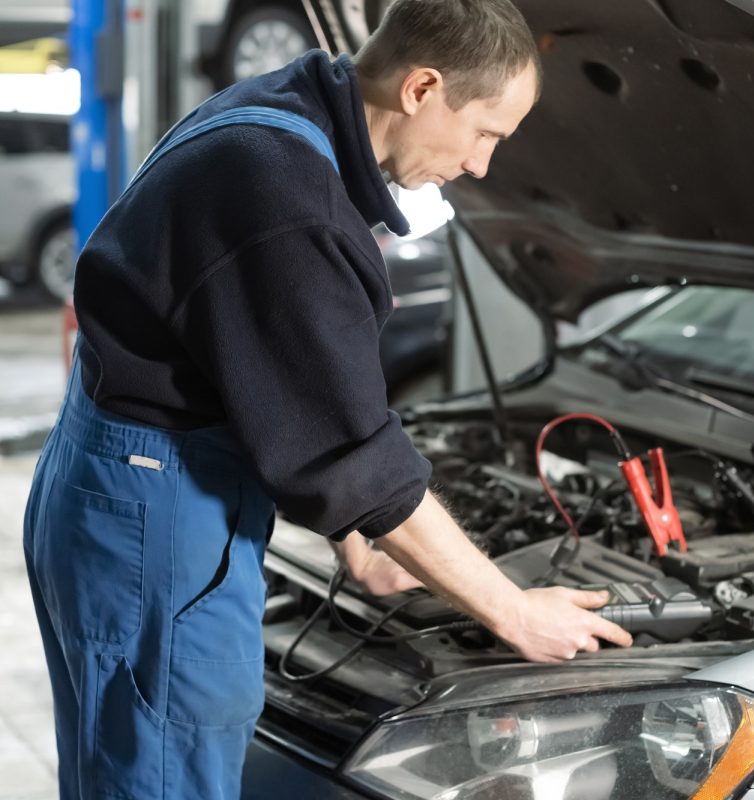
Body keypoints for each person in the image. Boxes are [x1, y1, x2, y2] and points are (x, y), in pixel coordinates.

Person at [23, 0, 632, 797]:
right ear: (421, 88)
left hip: (128, 485)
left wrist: (360, 544)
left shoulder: (284, 110)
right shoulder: (285, 195)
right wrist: (514, 612)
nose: (482, 166)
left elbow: (288, 386)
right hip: (155, 516)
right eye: (485, 133)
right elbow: (354, 453)